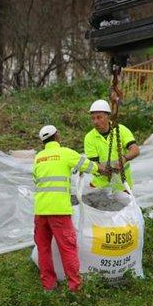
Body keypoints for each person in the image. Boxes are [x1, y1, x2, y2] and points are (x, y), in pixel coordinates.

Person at [34, 125, 107, 292]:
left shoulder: (38, 157)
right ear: (57, 136)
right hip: (59, 211)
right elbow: (90, 166)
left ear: (43, 141)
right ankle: (74, 288)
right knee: (68, 248)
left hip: (40, 211)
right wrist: (106, 170)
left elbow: (36, 180)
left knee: (43, 249)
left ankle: (48, 287)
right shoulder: (65, 153)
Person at [83, 99, 140, 191]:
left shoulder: (121, 130)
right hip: (100, 186)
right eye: (93, 118)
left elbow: (135, 150)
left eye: (99, 117)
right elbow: (94, 163)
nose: (95, 122)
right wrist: (105, 171)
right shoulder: (89, 137)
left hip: (123, 185)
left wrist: (124, 159)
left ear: (108, 117)